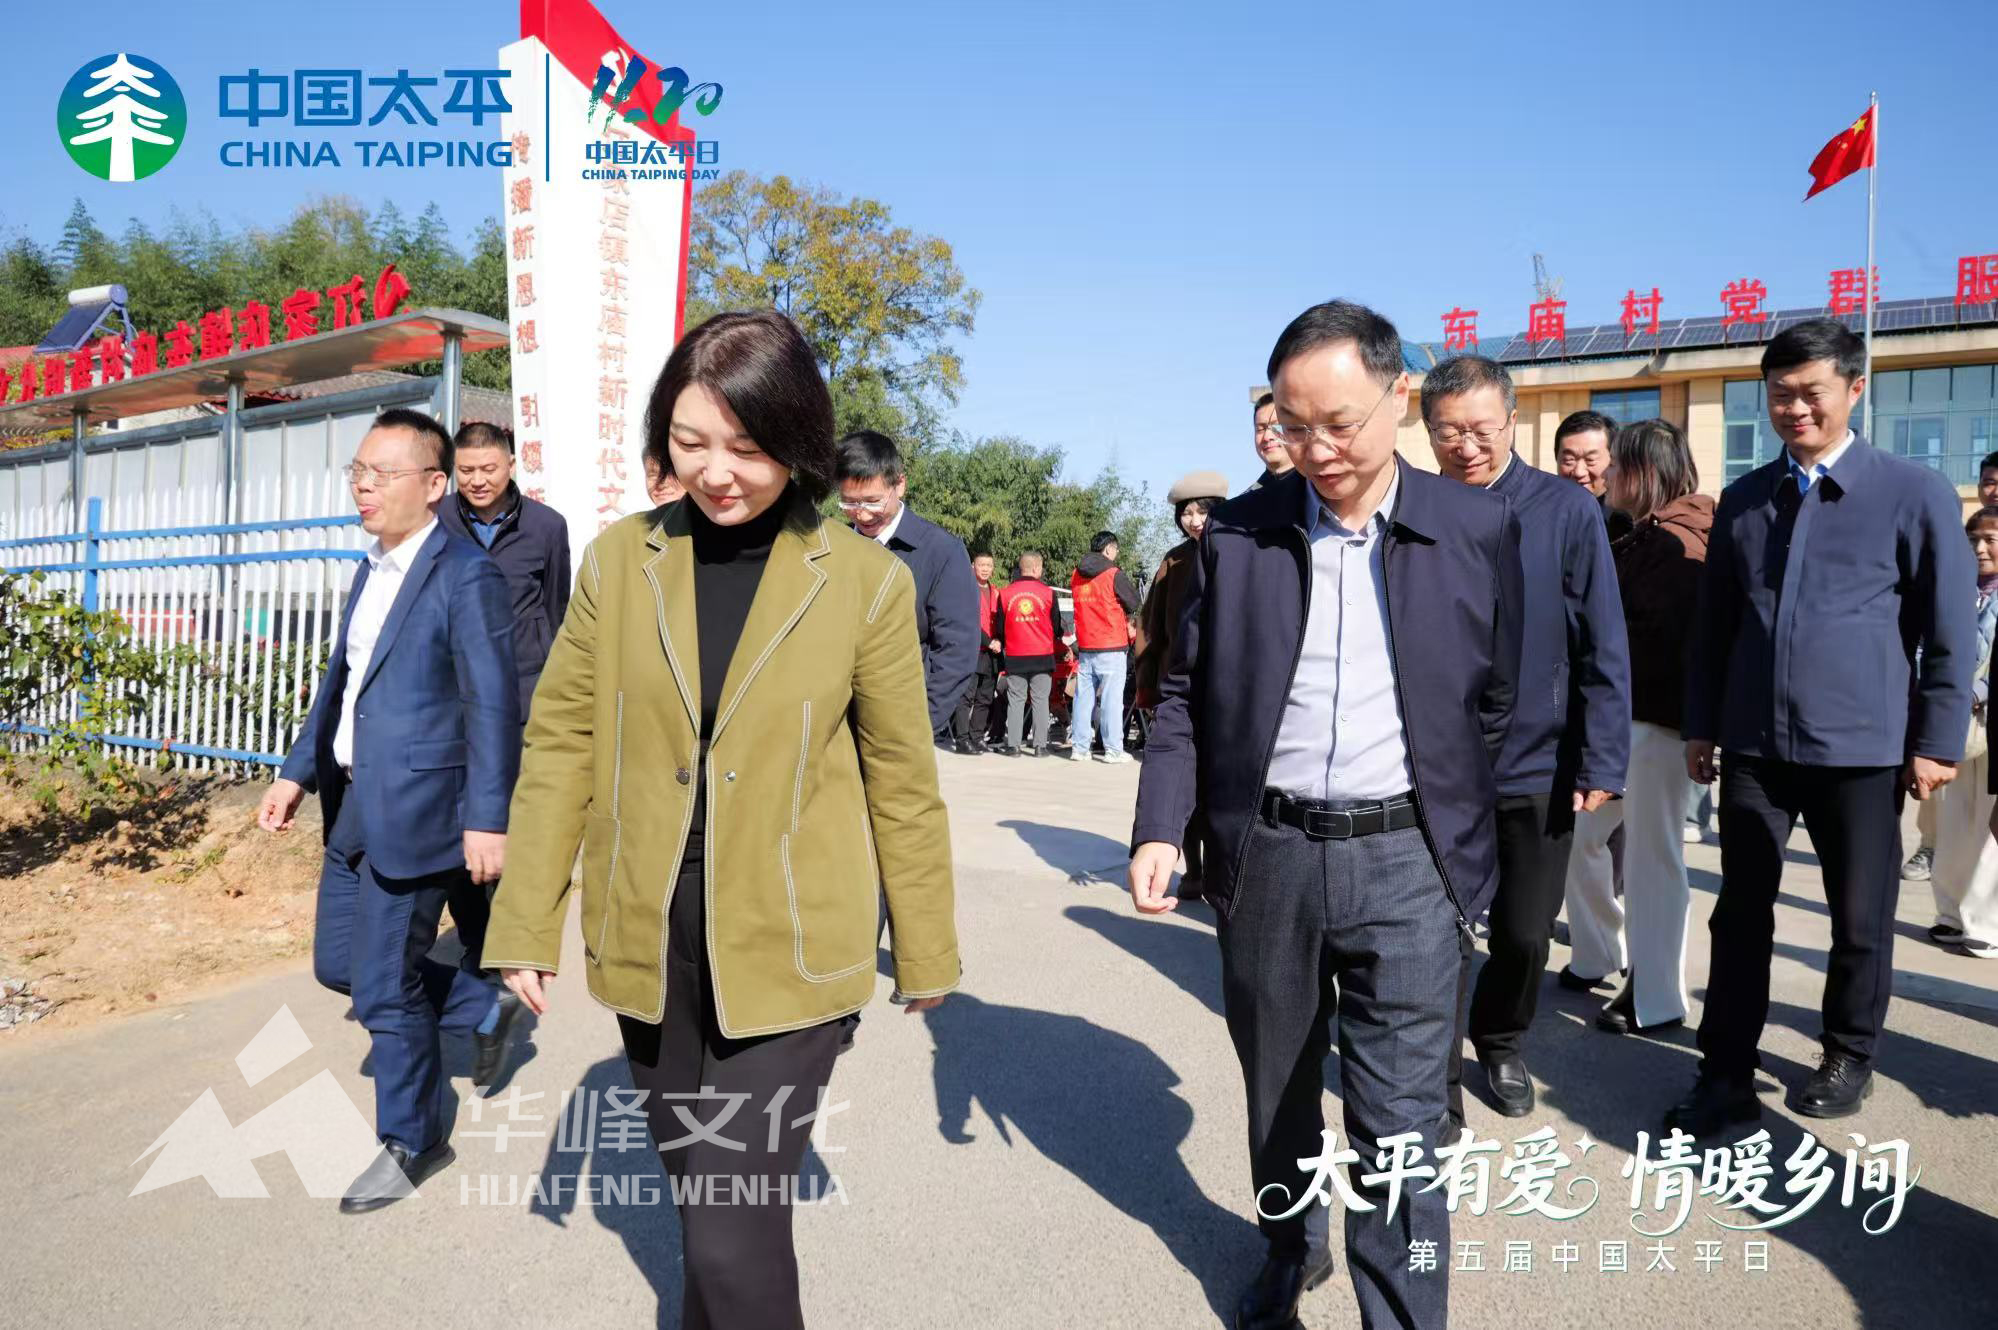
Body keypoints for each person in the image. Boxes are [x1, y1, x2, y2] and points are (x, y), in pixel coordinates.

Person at [482, 311, 959, 1329]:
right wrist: (525, 921)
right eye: (691, 443)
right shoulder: (621, 562)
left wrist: (925, 947)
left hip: (792, 938)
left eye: (745, 446)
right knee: (705, 1208)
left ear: (796, 439)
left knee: (730, 1229)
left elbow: (901, 781)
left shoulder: (865, 583)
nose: (716, 472)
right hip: (650, 931)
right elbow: (561, 742)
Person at [1131, 300, 1522, 1330]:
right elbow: (1185, 696)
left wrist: (1455, 836)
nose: (1317, 450)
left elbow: (1497, 699)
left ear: (1400, 398)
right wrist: (1162, 825)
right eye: (1294, 426)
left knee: (1402, 1124)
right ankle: (1288, 1246)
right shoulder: (1240, 533)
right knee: (1279, 1089)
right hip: (1268, 854)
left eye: (1339, 424)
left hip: (1409, 859)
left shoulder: (1476, 527)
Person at [1673, 317, 1975, 1134]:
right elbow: (1715, 628)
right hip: (1756, 747)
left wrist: (1937, 742)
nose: (1795, 409)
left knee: (1860, 915)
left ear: (1854, 389)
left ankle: (1848, 1052)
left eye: (1812, 392)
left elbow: (1948, 630)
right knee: (1741, 913)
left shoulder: (1912, 493)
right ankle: (1724, 1070)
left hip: (1864, 750)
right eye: (1780, 394)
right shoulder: (1745, 500)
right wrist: (1702, 725)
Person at [255, 406, 522, 1213]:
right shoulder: (371, 568)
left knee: (381, 989)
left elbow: (492, 705)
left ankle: (413, 1138)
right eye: (358, 472)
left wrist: (488, 818)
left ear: (435, 486)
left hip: (425, 810)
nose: (363, 486)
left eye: (382, 473)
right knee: (338, 965)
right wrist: (296, 773)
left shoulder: (466, 575)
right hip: (355, 803)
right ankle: (480, 1004)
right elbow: (342, 687)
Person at [1423, 355, 1630, 1121]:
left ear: (1513, 422)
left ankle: (1501, 1039)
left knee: (1525, 931)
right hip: (1436, 763)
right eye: (1449, 433)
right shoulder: (1413, 506)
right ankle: (1432, 1069)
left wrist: (1602, 756)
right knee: (1436, 930)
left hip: (1538, 761)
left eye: (1481, 429)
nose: (1466, 447)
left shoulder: (1564, 510)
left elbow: (1602, 640)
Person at [1562, 419, 1713, 1035]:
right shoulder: (1641, 534)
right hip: (1621, 722)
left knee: (1655, 859)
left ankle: (1655, 995)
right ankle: (1598, 953)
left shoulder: (1680, 543)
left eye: (1616, 465)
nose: (1606, 476)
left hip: (1658, 724)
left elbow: (1655, 643)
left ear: (1644, 473)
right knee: (1582, 838)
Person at [834, 430, 979, 742]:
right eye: (849, 502)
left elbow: (956, 652)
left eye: (873, 501)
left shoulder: (941, 552)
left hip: (902, 727)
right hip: (835, 732)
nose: (862, 513)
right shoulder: (833, 549)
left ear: (899, 484)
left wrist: (917, 729)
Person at [437, 422, 573, 720]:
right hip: (452, 684)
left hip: (523, 684)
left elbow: (556, 607)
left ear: (510, 466)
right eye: (466, 470)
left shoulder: (547, 526)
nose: (477, 481)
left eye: (489, 469)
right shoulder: (436, 520)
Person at [1133, 470, 1228, 898]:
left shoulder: (1237, 551)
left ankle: (1223, 870)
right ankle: (1193, 870)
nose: (1194, 520)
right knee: (1181, 780)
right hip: (1180, 685)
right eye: (1186, 513)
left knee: (1221, 783)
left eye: (1202, 511)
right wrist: (1147, 683)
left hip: (1225, 686)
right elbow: (1150, 626)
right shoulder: (1173, 561)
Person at [1925, 505, 1998, 959]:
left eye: (1991, 540)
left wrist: (1975, 691)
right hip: (1957, 719)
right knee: (1955, 818)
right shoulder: (1959, 590)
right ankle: (1950, 912)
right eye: (1974, 540)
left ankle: (1986, 923)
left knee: (1991, 827)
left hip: (1983, 711)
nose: (1981, 548)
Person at [1068, 530, 1140, 764]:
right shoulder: (1113, 573)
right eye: (1116, 549)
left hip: (1086, 644)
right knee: (1111, 700)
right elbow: (1133, 602)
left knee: (1082, 699)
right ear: (1109, 549)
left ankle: (1079, 748)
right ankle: (1113, 749)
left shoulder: (1076, 575)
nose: (1116, 554)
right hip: (1111, 644)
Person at [995, 551, 1065, 756]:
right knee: (1040, 700)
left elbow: (999, 628)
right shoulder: (1048, 593)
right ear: (1036, 568)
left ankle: (1014, 746)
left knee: (1016, 700)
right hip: (1042, 655)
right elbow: (1057, 627)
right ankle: (1040, 747)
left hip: (1016, 655)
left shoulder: (1005, 594)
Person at [949, 552, 1004, 754]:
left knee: (985, 697)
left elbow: (1000, 621)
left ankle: (977, 736)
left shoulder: (996, 592)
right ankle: (962, 740)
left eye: (989, 565)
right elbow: (967, 621)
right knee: (966, 697)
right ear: (973, 566)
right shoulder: (965, 589)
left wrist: (999, 640)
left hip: (991, 653)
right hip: (971, 649)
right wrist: (989, 642)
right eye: (982, 565)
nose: (985, 569)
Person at [1553, 410, 1616, 498]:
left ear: (1613, 461)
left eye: (1590, 460)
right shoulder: (1541, 503)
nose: (1579, 473)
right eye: (1569, 460)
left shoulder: (1628, 505)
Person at [1246, 391, 1291, 490]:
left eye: (1277, 426)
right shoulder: (1250, 497)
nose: (1267, 437)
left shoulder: (1317, 488)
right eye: (1260, 429)